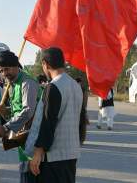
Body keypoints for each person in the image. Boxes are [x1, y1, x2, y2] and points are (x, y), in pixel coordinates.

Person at [27, 47, 83, 183]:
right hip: (71, 153)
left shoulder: (53, 86)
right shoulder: (76, 86)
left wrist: (38, 150)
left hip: (53, 157)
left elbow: (48, 121)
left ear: (45, 64)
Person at [0, 50, 39, 181]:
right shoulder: (12, 84)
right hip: (22, 137)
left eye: (6, 69)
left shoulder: (27, 83)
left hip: (33, 138)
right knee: (25, 172)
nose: (4, 74)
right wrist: (5, 111)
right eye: (1, 70)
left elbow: (28, 111)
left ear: (15, 66)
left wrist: (6, 127)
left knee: (29, 175)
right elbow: (17, 111)